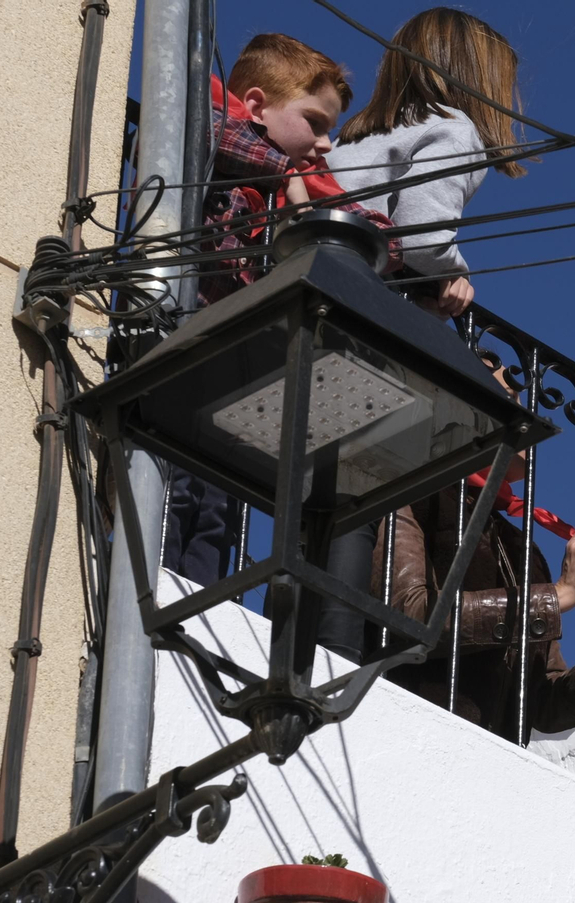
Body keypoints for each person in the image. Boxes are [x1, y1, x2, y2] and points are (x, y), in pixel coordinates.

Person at [163, 34, 400, 596]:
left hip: (226, 366)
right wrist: (287, 177)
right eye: (314, 123)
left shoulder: (284, 182)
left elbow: (370, 225)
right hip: (178, 343)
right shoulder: (215, 134)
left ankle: (197, 607)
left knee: (215, 504)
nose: (324, 144)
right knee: (171, 488)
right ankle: (153, 583)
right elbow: (213, 133)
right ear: (254, 106)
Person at [373, 354, 575, 735]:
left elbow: (541, 707)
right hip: (401, 734)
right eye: (504, 393)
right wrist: (558, 594)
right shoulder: (406, 494)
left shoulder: (522, 549)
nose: (520, 408)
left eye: (517, 396)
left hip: (491, 768)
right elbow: (408, 615)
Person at [331, 6, 529, 320]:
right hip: (352, 294)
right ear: (481, 82)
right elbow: (422, 238)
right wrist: (451, 274)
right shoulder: (454, 129)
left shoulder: (354, 133)